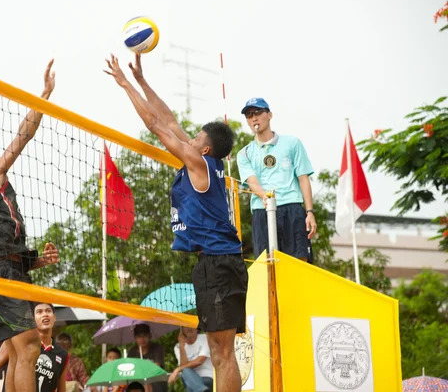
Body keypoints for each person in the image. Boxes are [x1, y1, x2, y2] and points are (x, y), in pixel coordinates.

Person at [104, 53, 247, 392]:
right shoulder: (203, 162)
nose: (188, 139)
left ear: (206, 149)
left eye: (195, 138)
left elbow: (156, 126)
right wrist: (141, 79)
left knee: (222, 353)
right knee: (221, 351)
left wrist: (123, 84)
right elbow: (167, 118)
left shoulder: (198, 163)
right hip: (216, 261)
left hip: (219, 261)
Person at [0, 60, 60, 392]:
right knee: (30, 347)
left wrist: (37, 260)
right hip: (3, 275)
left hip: (14, 271)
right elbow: (22, 138)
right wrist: (44, 95)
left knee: (22, 353)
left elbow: (4, 249)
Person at [236, 97, 316, 262]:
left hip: (291, 208)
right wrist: (265, 196)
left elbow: (303, 178)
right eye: (249, 115)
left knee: (299, 262)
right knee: (267, 265)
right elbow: (252, 182)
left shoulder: (292, 143)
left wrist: (309, 212)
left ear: (269, 115)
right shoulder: (245, 153)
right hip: (262, 210)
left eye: (258, 112)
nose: (254, 118)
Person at [0, 302, 69, 392]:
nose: (45, 314)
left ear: (54, 317)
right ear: (32, 319)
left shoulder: (62, 354)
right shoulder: (17, 341)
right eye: (39, 312)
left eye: (48, 311)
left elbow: (61, 389)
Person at [168, 328, 213, 392]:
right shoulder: (177, 347)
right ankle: (202, 390)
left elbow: (199, 361)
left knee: (190, 387)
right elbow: (183, 367)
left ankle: (201, 390)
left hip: (207, 377)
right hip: (190, 380)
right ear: (182, 330)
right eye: (186, 326)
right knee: (186, 371)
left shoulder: (205, 338)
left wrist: (177, 370)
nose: (189, 328)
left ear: (197, 328)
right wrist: (182, 346)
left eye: (192, 325)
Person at [127, 324, 166, 392]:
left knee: (148, 382)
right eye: (139, 336)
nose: (142, 339)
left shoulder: (157, 348)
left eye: (145, 335)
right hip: (138, 382)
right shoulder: (132, 351)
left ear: (150, 336)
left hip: (156, 382)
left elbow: (157, 367)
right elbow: (129, 370)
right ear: (135, 338)